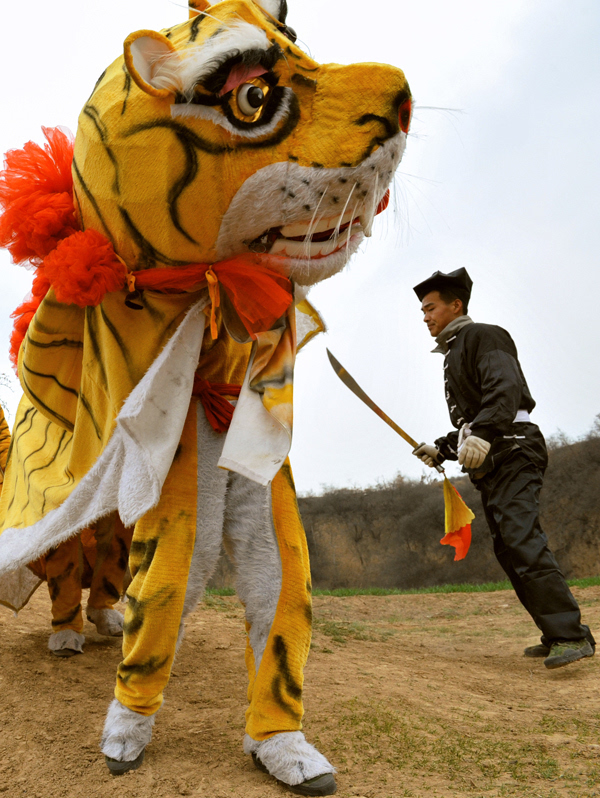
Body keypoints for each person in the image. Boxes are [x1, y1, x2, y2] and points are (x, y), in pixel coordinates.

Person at [412, 268, 595, 669]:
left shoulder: (484, 335)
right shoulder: (454, 353)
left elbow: (504, 390)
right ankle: (555, 632)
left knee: (521, 538)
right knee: (509, 548)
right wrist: (442, 448)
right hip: (495, 453)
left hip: (514, 446)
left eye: (430, 307)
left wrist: (485, 432)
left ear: (455, 305)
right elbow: (472, 420)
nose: (424, 316)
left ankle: (571, 635)